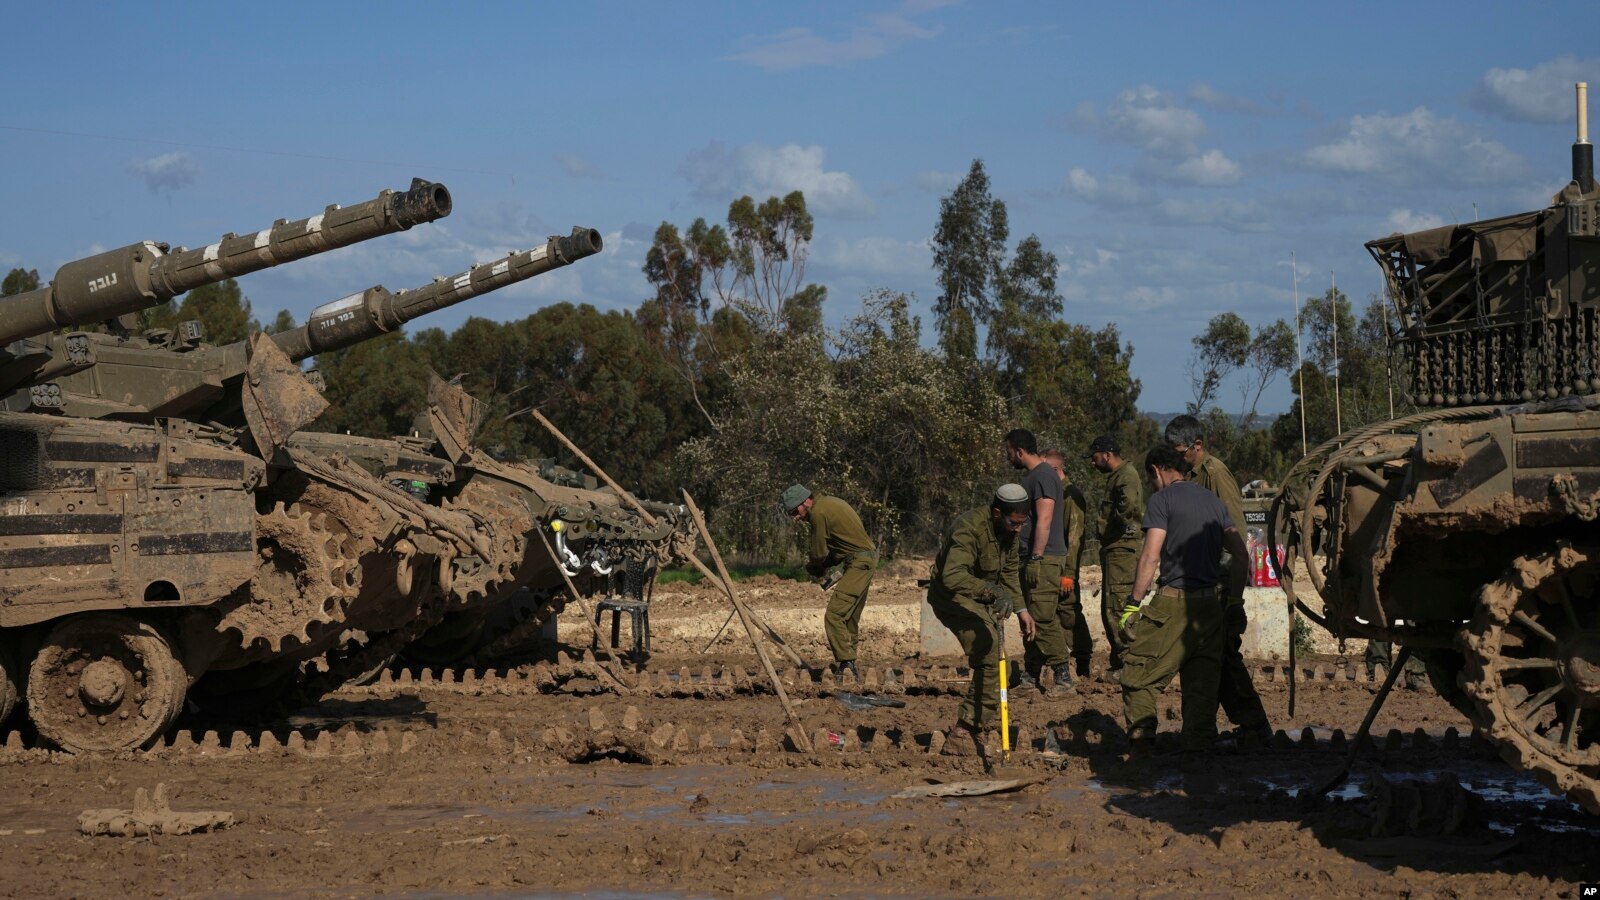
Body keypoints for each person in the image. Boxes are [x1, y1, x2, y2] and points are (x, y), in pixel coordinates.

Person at [1118, 445, 1249, 753]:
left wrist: (1134, 603)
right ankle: (1198, 757)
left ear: (1156, 471)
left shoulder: (1161, 500)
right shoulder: (1213, 502)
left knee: (1138, 675)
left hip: (1174, 601)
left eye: (1152, 479)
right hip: (1210, 607)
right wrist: (1234, 601)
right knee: (1201, 687)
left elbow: (1150, 556)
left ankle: (1141, 749)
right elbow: (1241, 554)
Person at [1163, 414, 1271, 745]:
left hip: (1218, 583)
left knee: (1222, 655)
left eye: (1179, 452)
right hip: (1200, 580)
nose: (1174, 459)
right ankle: (1224, 726)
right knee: (1211, 657)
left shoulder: (1215, 474)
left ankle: (1252, 725)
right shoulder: (1189, 475)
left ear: (1197, 446)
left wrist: (1232, 596)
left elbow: (1235, 538)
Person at [926, 484, 1038, 756]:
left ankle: (981, 704)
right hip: (951, 597)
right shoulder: (969, 529)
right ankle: (963, 732)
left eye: (1024, 524)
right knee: (990, 655)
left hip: (978, 598)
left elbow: (1009, 573)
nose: (1019, 530)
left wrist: (1022, 610)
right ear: (997, 513)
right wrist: (993, 591)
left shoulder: (1009, 532)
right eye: (1014, 523)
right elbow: (952, 577)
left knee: (999, 664)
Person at [1004, 429, 1074, 697]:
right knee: (1031, 617)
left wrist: (1035, 557)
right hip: (1035, 557)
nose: (1008, 456)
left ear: (1019, 451)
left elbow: (1044, 519)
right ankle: (1030, 677)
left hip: (1044, 558)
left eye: (1009, 451)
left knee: (1043, 618)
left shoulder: (1043, 476)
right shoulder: (1034, 476)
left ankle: (1064, 678)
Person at [782, 484, 877, 679]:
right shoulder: (830, 503)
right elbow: (841, 548)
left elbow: (819, 552)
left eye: (795, 511)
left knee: (834, 615)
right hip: (864, 559)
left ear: (805, 501)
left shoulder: (818, 513)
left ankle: (847, 663)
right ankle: (849, 667)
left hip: (858, 563)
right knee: (848, 616)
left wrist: (816, 567)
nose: (795, 518)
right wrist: (827, 564)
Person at [1090, 434, 1143, 680]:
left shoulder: (1126, 476)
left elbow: (1129, 506)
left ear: (1107, 454)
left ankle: (1130, 664)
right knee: (1110, 605)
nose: (1093, 462)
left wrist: (1118, 526)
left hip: (1122, 550)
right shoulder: (1119, 476)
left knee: (1118, 605)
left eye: (1095, 457)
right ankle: (1121, 661)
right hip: (1116, 550)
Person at [1044, 448, 1092, 678]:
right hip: (1051, 566)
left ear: (1055, 470)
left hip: (1064, 567)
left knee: (1069, 613)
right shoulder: (1055, 494)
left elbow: (1074, 539)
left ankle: (1082, 661)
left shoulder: (1071, 495)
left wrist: (1069, 573)